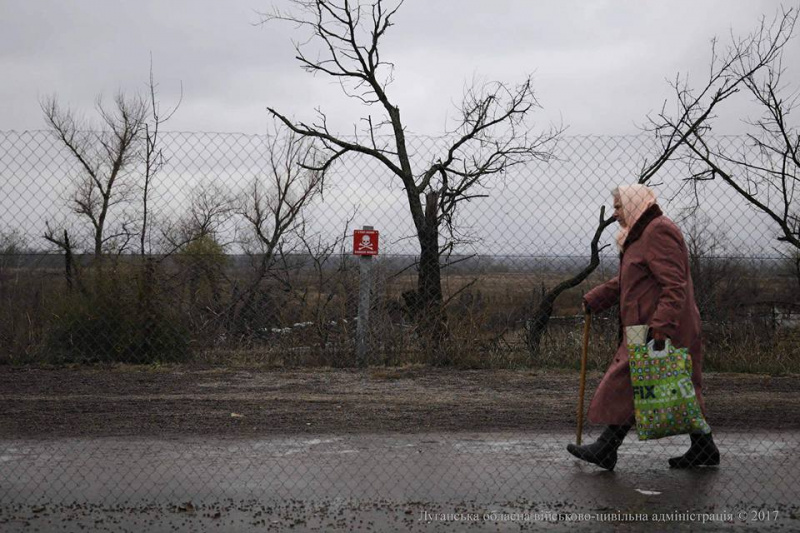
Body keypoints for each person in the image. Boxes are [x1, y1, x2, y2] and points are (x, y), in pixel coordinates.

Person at [567, 184, 720, 471]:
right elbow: (629, 282)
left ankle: (606, 447)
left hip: (661, 328)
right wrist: (595, 299)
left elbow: (675, 284)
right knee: (664, 386)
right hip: (646, 326)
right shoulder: (639, 235)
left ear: (635, 203)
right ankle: (703, 447)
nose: (614, 213)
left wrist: (662, 327)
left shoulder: (657, 231)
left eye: (618, 206)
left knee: (638, 383)